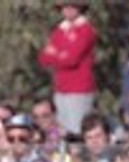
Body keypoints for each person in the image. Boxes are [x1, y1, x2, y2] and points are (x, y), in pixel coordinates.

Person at [38, 0, 97, 135]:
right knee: (62, 131)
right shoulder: (60, 30)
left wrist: (56, 54)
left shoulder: (85, 30)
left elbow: (71, 59)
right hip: (61, 88)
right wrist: (61, 55)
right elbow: (43, 58)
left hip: (79, 89)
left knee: (77, 131)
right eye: (65, 6)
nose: (68, 9)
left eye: (73, 5)